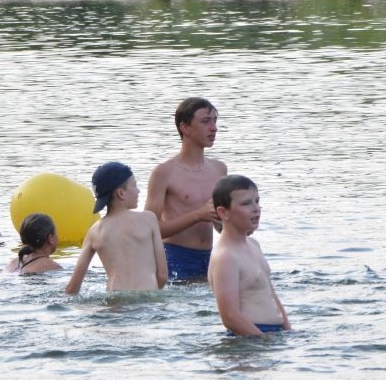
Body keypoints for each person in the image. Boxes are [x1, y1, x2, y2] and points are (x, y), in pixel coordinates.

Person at [145, 97, 227, 281]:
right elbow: (149, 229)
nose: (214, 128)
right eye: (206, 121)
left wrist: (234, 221)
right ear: (185, 128)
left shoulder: (220, 169)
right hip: (174, 259)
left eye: (215, 120)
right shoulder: (164, 172)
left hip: (211, 258)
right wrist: (198, 215)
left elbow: (221, 227)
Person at [65, 162, 168, 295]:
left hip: (114, 303)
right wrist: (154, 294)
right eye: (135, 185)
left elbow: (73, 288)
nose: (138, 190)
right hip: (147, 303)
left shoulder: (94, 232)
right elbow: (163, 275)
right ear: (121, 193)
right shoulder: (149, 219)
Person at [207, 174, 290, 336]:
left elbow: (271, 295)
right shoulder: (225, 256)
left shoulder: (254, 245)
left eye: (257, 201)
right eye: (246, 204)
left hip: (272, 336)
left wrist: (288, 331)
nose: (256, 208)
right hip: (247, 341)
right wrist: (263, 340)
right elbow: (230, 317)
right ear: (223, 213)